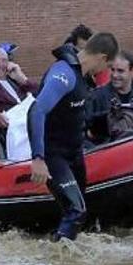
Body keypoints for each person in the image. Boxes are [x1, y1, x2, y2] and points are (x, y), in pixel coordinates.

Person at [28, 33, 119, 242]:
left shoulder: (84, 77)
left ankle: (65, 260)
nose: (106, 71)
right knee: (76, 211)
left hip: (75, 154)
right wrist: (38, 158)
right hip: (53, 156)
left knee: (78, 212)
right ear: (103, 58)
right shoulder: (64, 73)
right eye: (108, 66)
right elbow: (36, 111)